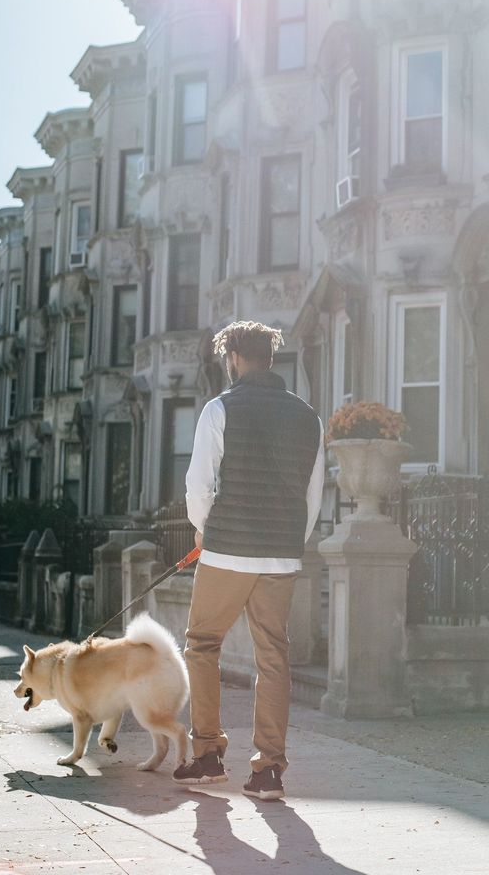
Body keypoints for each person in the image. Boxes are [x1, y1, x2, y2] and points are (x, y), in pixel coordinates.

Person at [172, 320, 325, 800]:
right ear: (271, 358)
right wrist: (286, 541)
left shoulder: (219, 409)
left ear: (234, 357)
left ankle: (208, 755)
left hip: (227, 551)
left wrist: (204, 530)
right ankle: (269, 771)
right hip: (279, 555)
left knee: (202, 643)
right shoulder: (308, 417)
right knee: (273, 656)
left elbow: (199, 486)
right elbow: (313, 495)